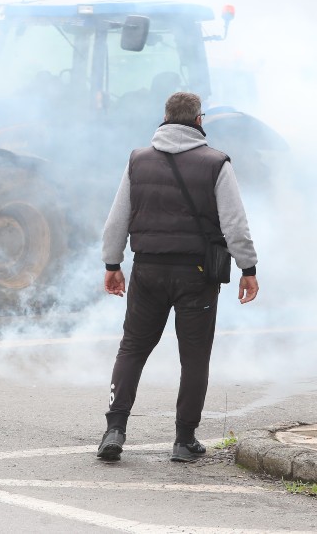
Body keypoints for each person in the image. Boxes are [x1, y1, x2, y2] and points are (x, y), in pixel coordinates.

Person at [96, 91, 259, 463]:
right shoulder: (217, 164)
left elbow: (116, 220)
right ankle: (184, 441)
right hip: (196, 274)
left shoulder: (137, 161)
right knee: (194, 357)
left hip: (147, 270)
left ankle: (114, 429)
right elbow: (235, 224)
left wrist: (112, 264)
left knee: (133, 348)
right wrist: (248, 269)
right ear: (199, 120)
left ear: (165, 117)